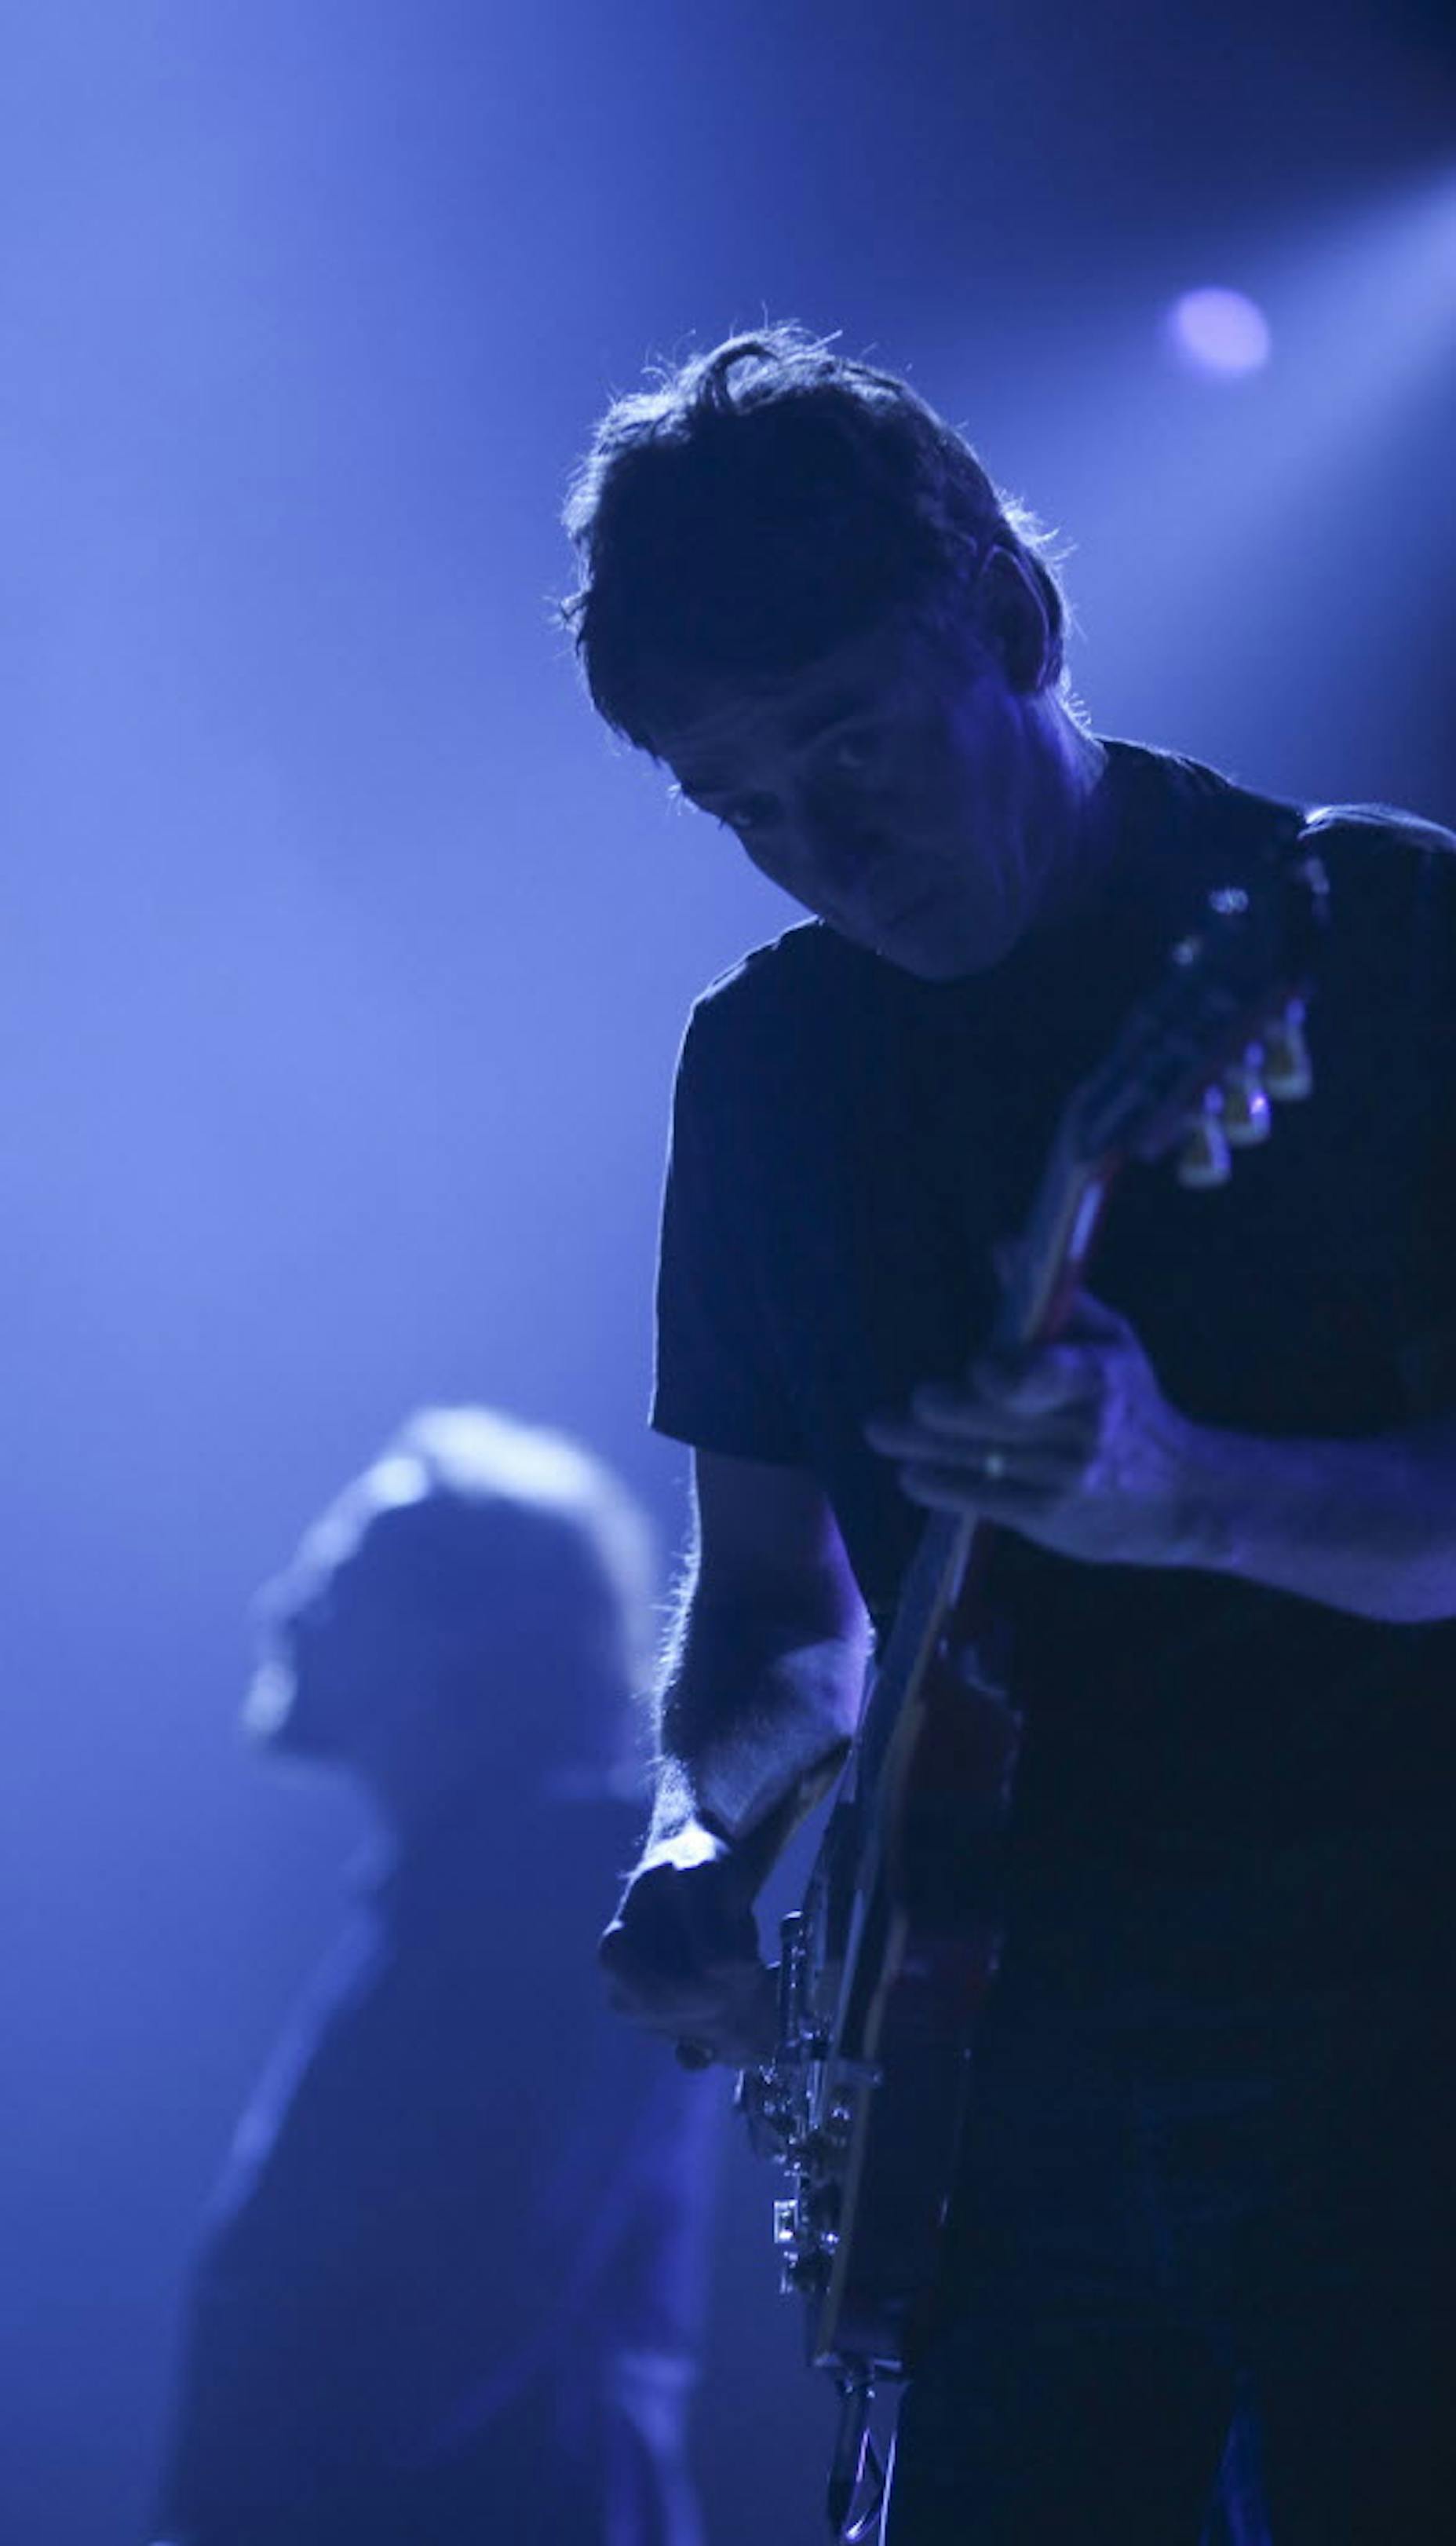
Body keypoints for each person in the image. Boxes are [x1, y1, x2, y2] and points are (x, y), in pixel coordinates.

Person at [565, 328, 1456, 2542]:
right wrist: (707, 1831)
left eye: (849, 741)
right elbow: (783, 1604)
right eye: (739, 800)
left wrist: (1199, 1494)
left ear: (1013, 619)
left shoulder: (1364, 936)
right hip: (984, 2091)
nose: (817, 848)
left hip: (1391, 2058)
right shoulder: (763, 1069)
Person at [151, 1407, 720, 2546]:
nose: (288, 1609)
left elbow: (472, 2301)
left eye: (350, 1572)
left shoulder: (554, 1904)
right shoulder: (481, 1900)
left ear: (471, 1632)